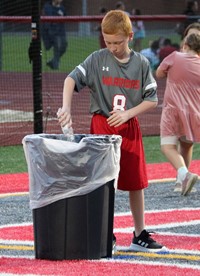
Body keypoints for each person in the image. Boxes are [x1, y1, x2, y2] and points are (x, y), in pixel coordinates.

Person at [58, 10, 166, 252]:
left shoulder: (141, 63)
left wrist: (128, 114)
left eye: (117, 42)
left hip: (128, 127)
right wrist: (65, 107)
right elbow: (70, 79)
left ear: (130, 36)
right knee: (103, 183)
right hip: (102, 127)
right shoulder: (98, 58)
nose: (113, 47)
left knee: (135, 183)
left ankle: (139, 234)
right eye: (108, 42)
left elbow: (152, 99)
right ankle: (104, 232)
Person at [156, 33, 200, 196]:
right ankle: (181, 181)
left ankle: (184, 175)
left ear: (186, 46)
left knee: (167, 146)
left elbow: (159, 74)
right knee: (187, 145)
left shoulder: (175, 57)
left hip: (173, 110)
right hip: (194, 113)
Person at [41, 0, 68, 70]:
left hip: (61, 32)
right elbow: (46, 21)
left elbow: (65, 18)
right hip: (52, 33)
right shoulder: (47, 7)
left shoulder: (62, 8)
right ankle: (55, 66)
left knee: (64, 47)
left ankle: (53, 62)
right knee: (57, 47)